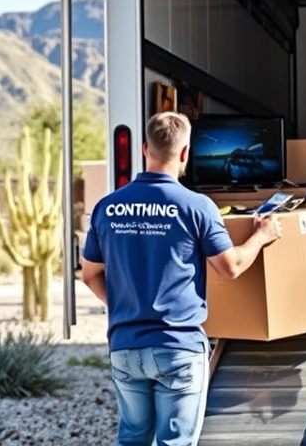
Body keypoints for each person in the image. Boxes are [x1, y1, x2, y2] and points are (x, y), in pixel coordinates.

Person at [81, 112, 283, 446]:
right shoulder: (197, 207)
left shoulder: (108, 207)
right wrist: (261, 237)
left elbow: (90, 275)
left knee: (132, 437)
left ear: (145, 149)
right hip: (178, 347)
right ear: (186, 153)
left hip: (125, 346)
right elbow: (230, 268)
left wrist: (125, 306)